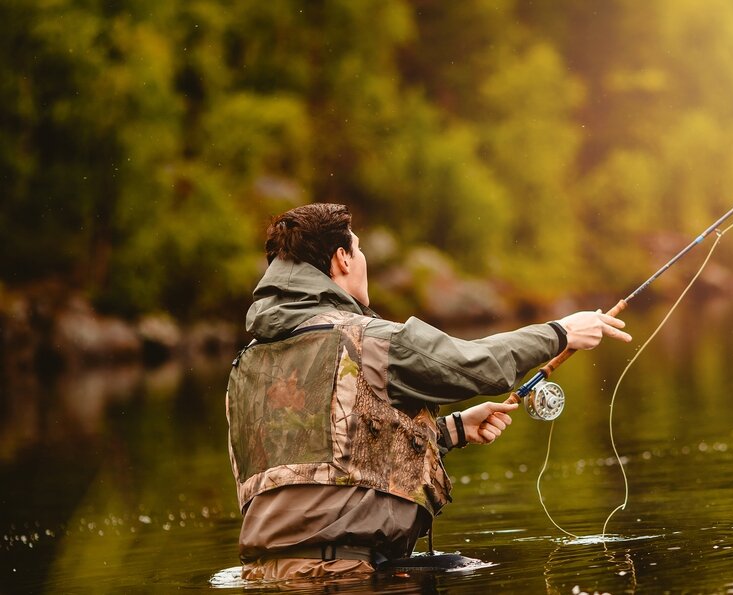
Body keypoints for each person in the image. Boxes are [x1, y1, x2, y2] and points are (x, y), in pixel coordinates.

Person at [225, 203, 631, 580]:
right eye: (359, 249)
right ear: (342, 259)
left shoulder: (245, 366)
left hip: (264, 576)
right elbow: (475, 365)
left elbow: (330, 449)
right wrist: (561, 333)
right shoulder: (370, 341)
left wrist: (449, 431)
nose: (362, 260)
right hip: (346, 574)